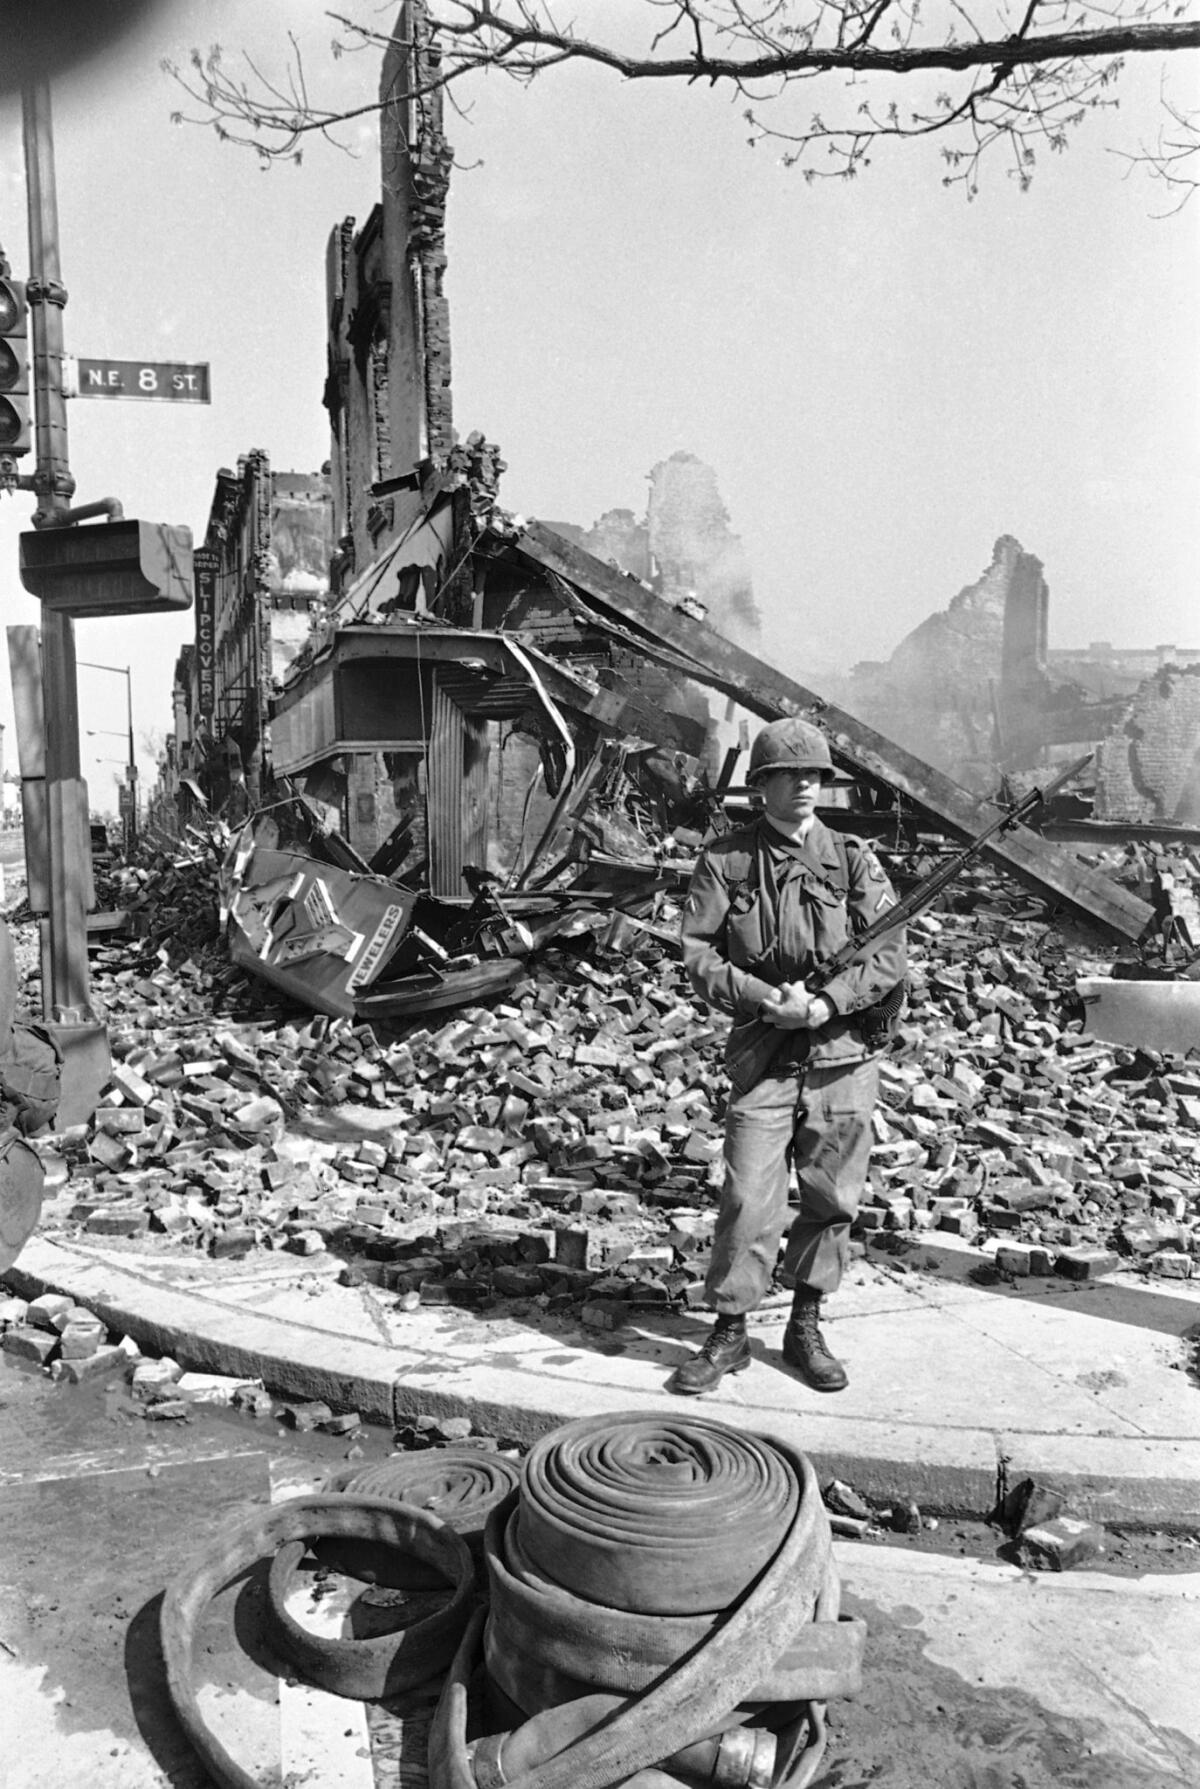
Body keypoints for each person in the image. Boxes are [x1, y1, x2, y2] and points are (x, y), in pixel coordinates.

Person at [672, 716, 906, 1396]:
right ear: (763, 784)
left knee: (832, 1193)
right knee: (748, 1191)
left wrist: (830, 1002)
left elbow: (889, 953)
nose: (805, 786)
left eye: (814, 776)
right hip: (765, 1045)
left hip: (841, 1052)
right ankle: (730, 1329)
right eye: (789, 775)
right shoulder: (726, 861)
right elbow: (696, 953)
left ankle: (805, 1323)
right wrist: (761, 997)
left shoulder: (855, 859)